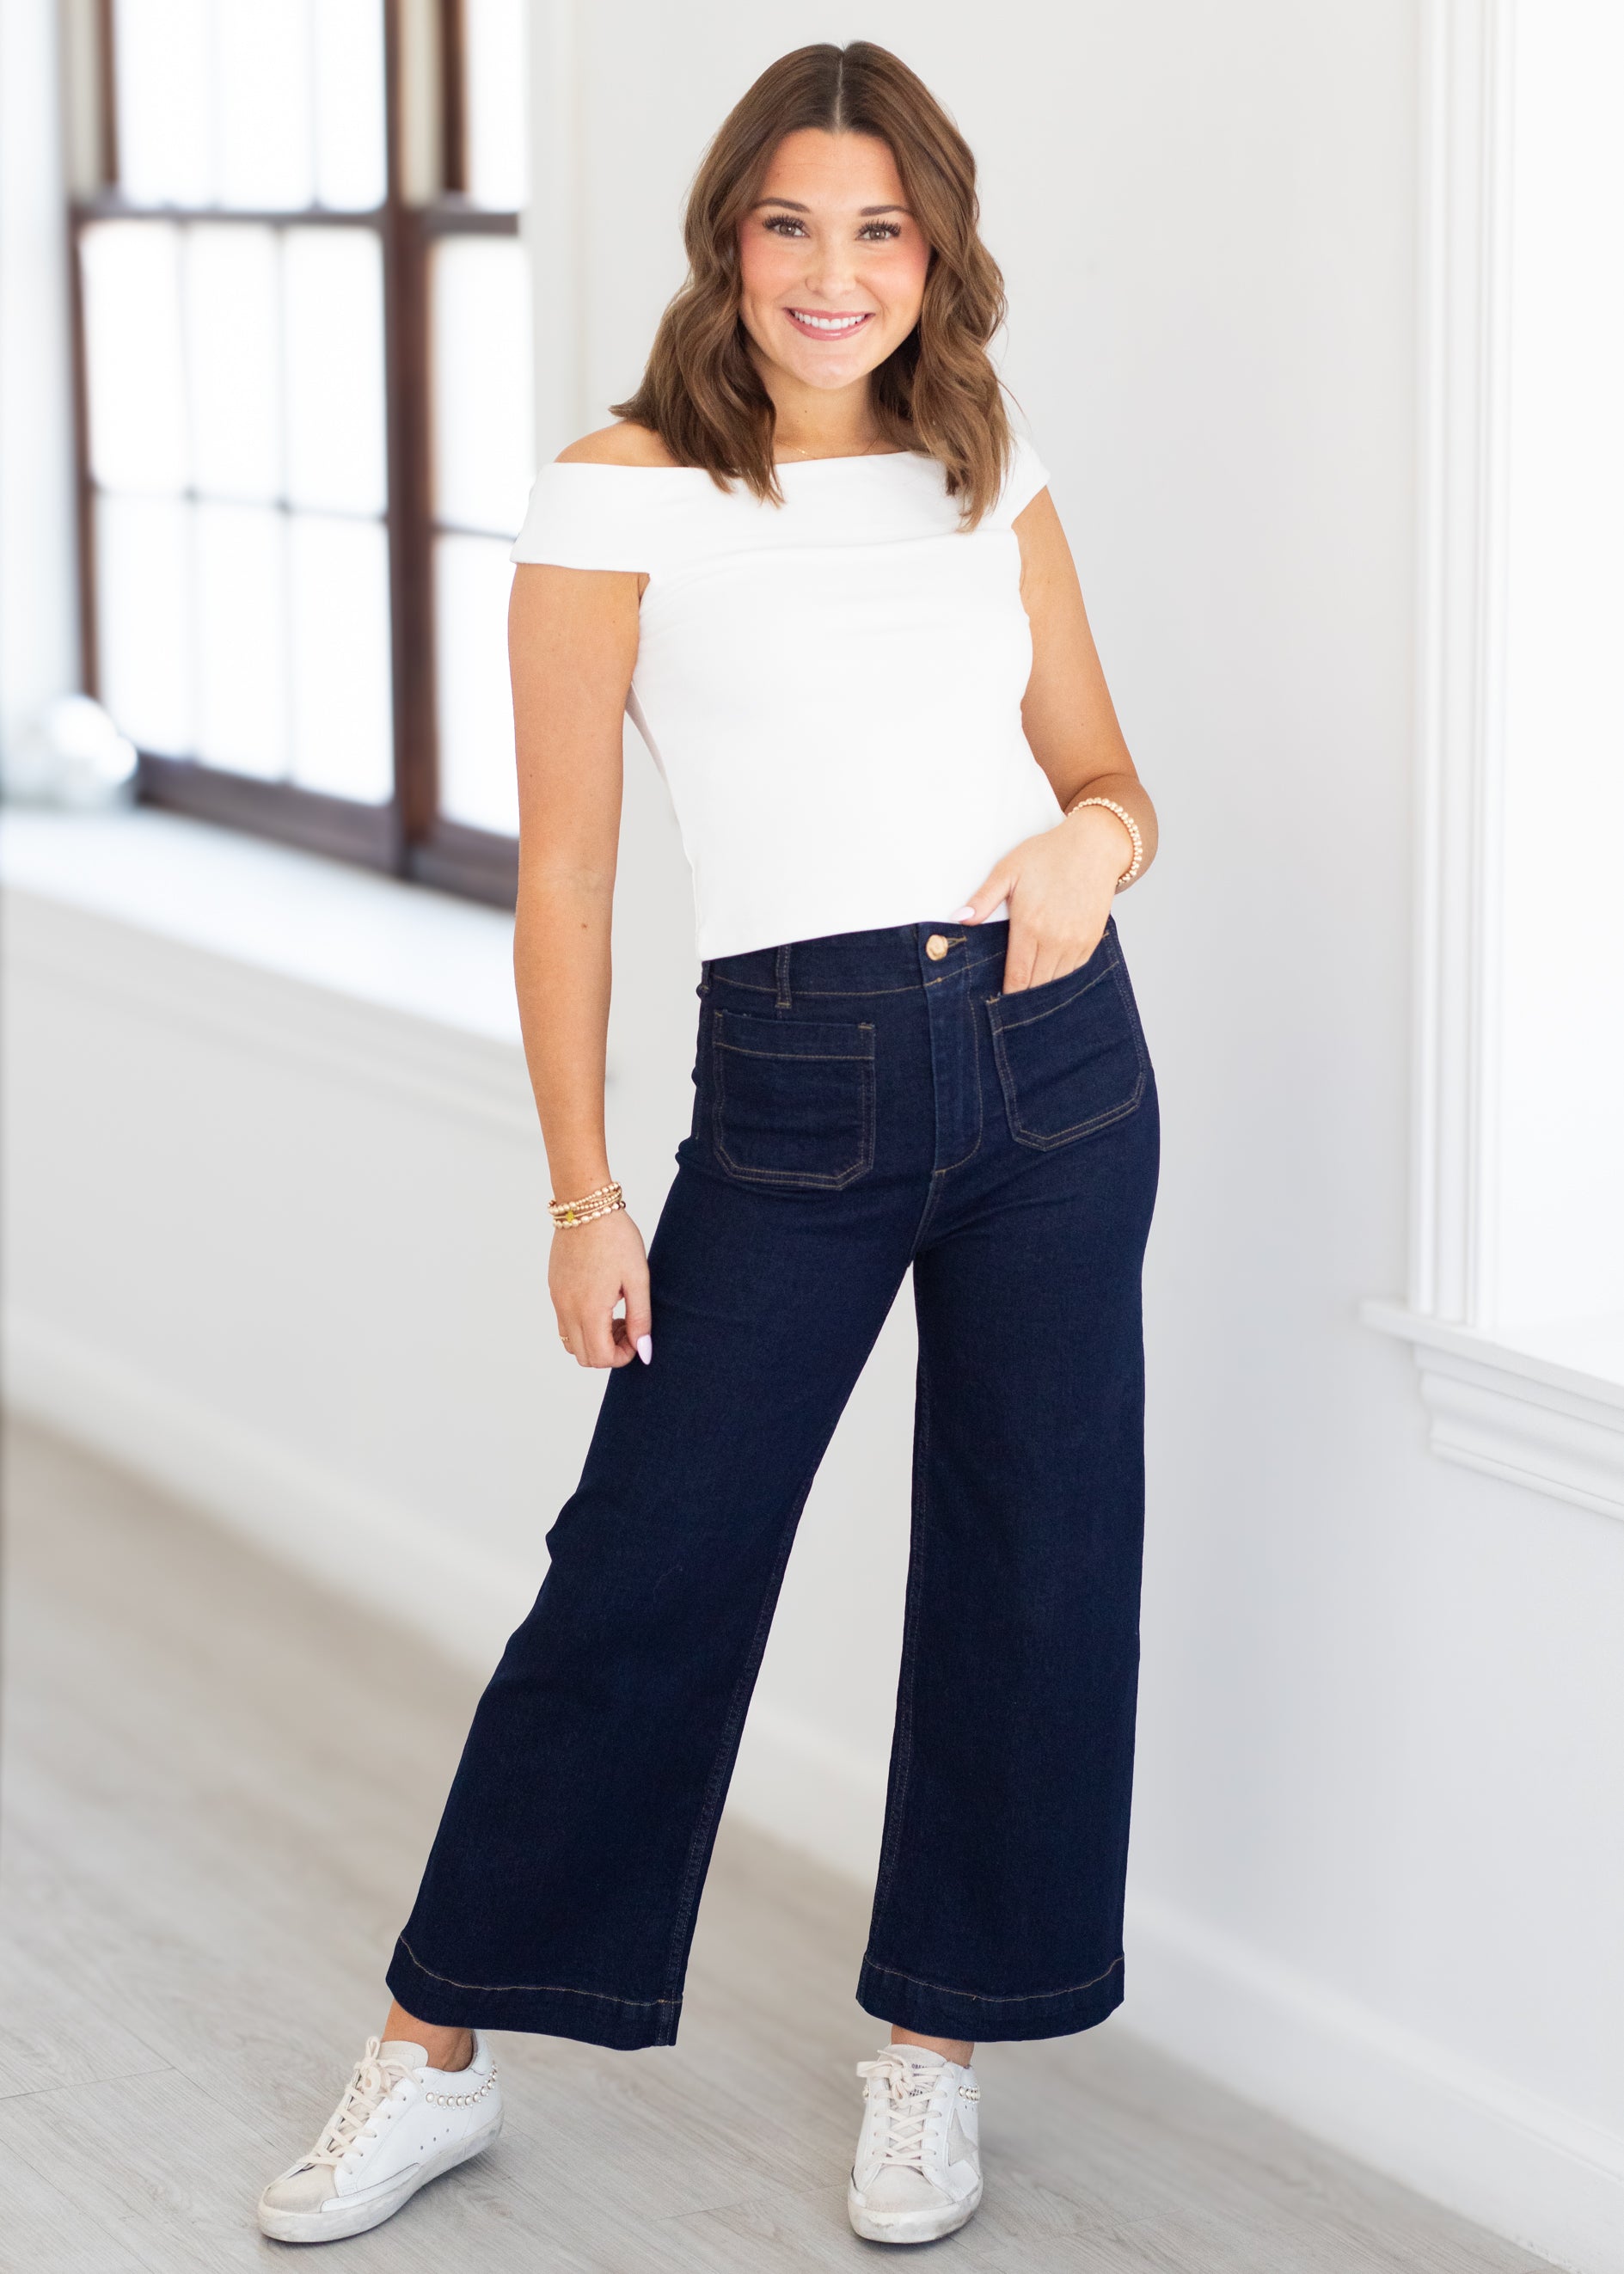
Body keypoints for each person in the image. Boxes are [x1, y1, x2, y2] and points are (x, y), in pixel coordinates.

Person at [258, 39, 1159, 2251]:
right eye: (790, 226)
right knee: (647, 1568)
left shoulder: (989, 472)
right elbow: (567, 876)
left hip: (1057, 1076)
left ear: (935, 249)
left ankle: (937, 2049)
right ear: (728, 242)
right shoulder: (621, 493)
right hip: (793, 1085)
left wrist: (1093, 851)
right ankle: (435, 2049)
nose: (833, 273)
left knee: (1035, 1569)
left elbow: (1111, 779)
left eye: (879, 229)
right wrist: (583, 1191)